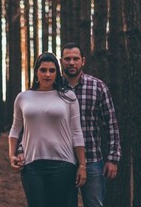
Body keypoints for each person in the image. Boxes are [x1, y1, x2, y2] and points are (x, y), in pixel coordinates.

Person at [9, 52, 87, 207]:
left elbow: (77, 132)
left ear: (57, 74)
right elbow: (15, 128)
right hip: (31, 165)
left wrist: (82, 166)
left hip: (63, 164)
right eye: (43, 70)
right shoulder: (23, 97)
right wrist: (12, 155)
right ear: (36, 72)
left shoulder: (68, 96)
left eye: (52, 71)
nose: (47, 74)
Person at [60, 43, 120, 207]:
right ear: (61, 61)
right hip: (62, 160)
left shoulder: (98, 87)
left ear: (83, 61)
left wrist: (113, 159)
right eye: (67, 59)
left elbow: (111, 123)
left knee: (94, 204)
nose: (71, 62)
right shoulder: (53, 88)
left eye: (75, 59)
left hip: (92, 159)